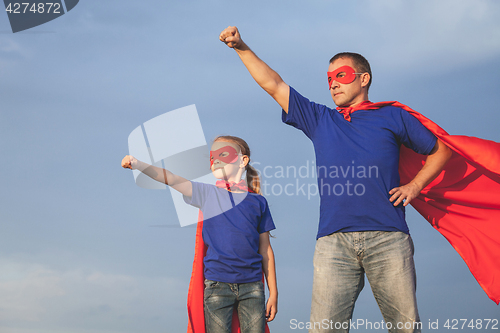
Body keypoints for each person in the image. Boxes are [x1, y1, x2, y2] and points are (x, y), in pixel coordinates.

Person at [219, 26, 453, 333]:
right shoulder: (320, 119)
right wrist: (241, 46)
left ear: (364, 78)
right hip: (333, 243)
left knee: (405, 328)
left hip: (389, 238)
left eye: (341, 75)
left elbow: (442, 150)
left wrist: (414, 186)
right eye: (329, 79)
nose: (333, 84)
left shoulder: (393, 117)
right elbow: (273, 85)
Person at [122, 135, 278, 333]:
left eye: (223, 153)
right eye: (212, 156)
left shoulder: (258, 202)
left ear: (243, 160)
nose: (216, 160)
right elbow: (170, 178)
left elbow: (266, 250)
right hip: (217, 286)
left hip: (252, 287)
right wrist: (138, 164)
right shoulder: (206, 194)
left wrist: (273, 292)